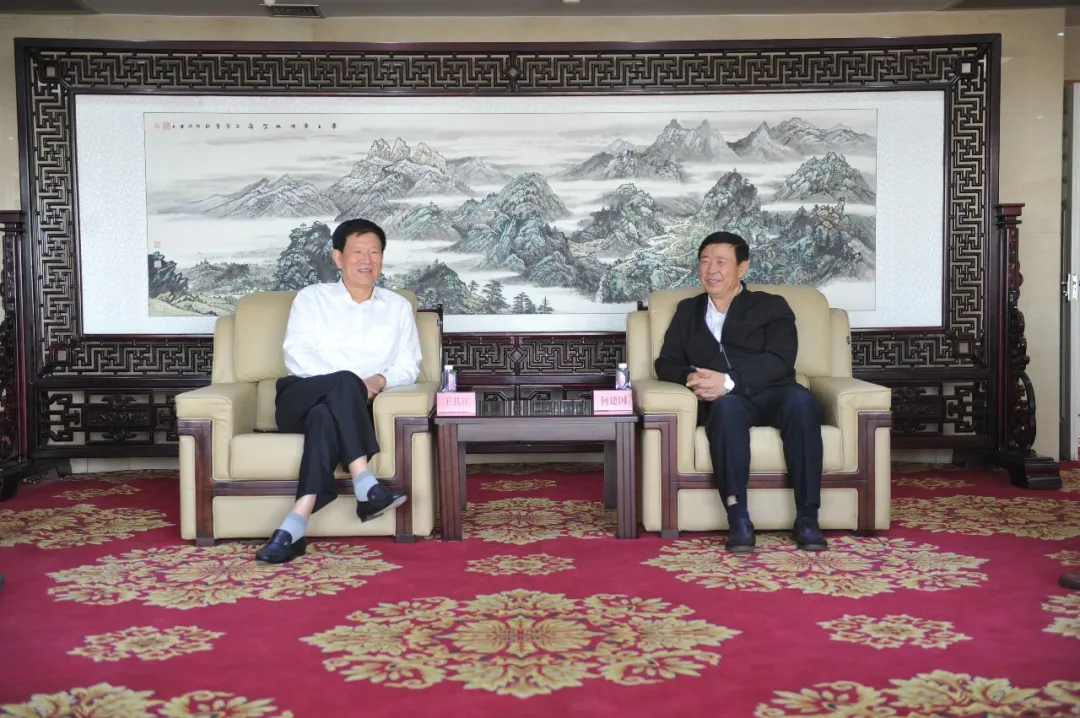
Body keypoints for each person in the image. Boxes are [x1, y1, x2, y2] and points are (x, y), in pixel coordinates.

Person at [255, 218, 422, 564]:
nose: (367, 259)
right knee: (339, 385)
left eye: (374, 252)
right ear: (337, 257)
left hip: (353, 411)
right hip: (299, 398)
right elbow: (297, 356)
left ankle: (293, 526)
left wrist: (379, 381)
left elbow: (409, 364)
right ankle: (364, 482)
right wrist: (349, 384)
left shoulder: (398, 307)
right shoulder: (312, 298)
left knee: (324, 417)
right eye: (358, 251)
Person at [655, 231, 828, 553]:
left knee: (802, 401)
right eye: (705, 261)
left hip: (774, 391)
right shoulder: (687, 311)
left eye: (721, 262)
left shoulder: (771, 306)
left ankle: (807, 516)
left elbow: (781, 359)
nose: (711, 270)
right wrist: (692, 378)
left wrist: (729, 380)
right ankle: (738, 518)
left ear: (742, 267)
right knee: (726, 409)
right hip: (726, 401)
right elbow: (666, 363)